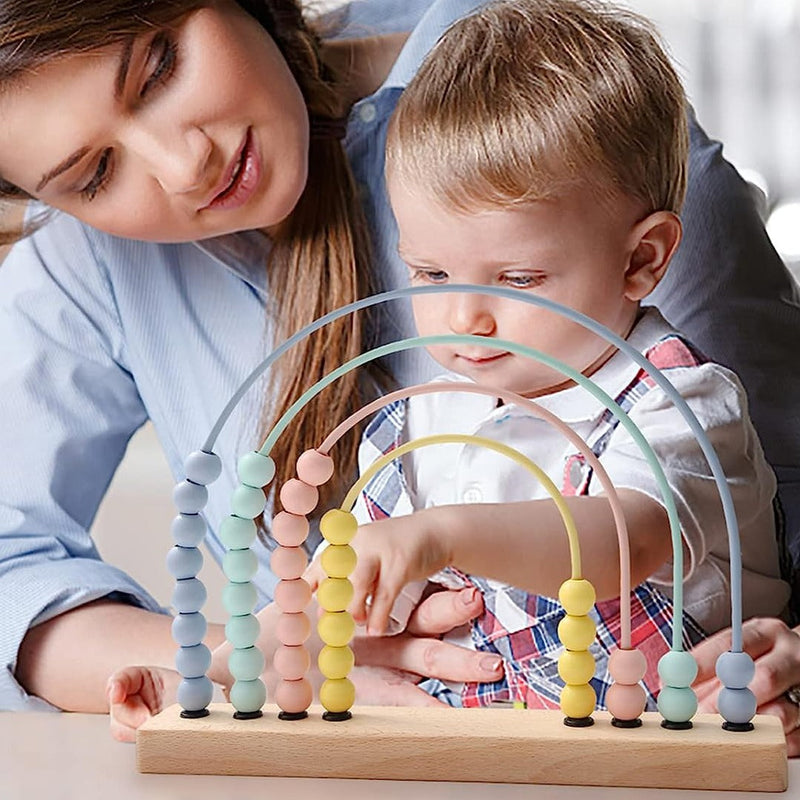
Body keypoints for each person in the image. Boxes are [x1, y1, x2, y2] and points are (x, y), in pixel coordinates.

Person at [0, 0, 797, 750]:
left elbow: (700, 523)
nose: (184, 165)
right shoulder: (89, 263)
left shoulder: (550, 116)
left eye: (159, 68)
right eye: (95, 174)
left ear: (643, 257)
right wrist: (249, 664)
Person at [313, 0, 787, 712]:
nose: (463, 316)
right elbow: (333, 611)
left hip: (651, 761)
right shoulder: (422, 423)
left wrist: (442, 536)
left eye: (518, 279)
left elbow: (624, 539)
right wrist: (214, 674)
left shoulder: (679, 400)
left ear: (641, 259)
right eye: (432, 274)